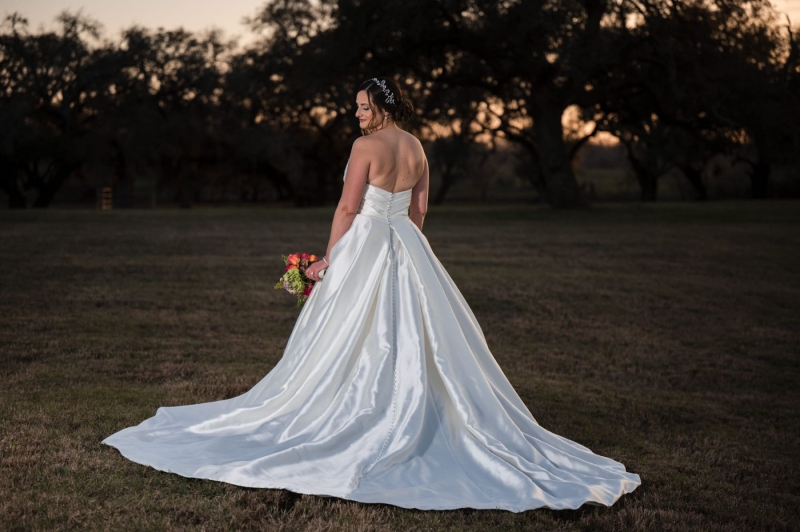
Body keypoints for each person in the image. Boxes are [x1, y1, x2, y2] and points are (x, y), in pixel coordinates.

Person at [102, 77, 641, 512]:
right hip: (408, 243)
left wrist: (329, 262)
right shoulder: (417, 146)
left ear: (380, 109)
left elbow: (346, 208)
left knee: (354, 332)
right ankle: (415, 410)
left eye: (361, 108)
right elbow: (420, 211)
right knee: (415, 333)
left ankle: (359, 415)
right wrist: (408, 249)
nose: (356, 116)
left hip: (366, 241)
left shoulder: (367, 146)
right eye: (356, 109)